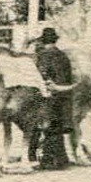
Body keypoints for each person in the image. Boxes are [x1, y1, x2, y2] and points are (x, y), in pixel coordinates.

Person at [33, 28, 75, 171]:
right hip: (65, 95)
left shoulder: (44, 55)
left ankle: (48, 160)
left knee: (49, 128)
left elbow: (41, 74)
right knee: (57, 127)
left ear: (43, 41)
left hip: (51, 94)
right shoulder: (63, 55)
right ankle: (62, 159)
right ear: (55, 40)